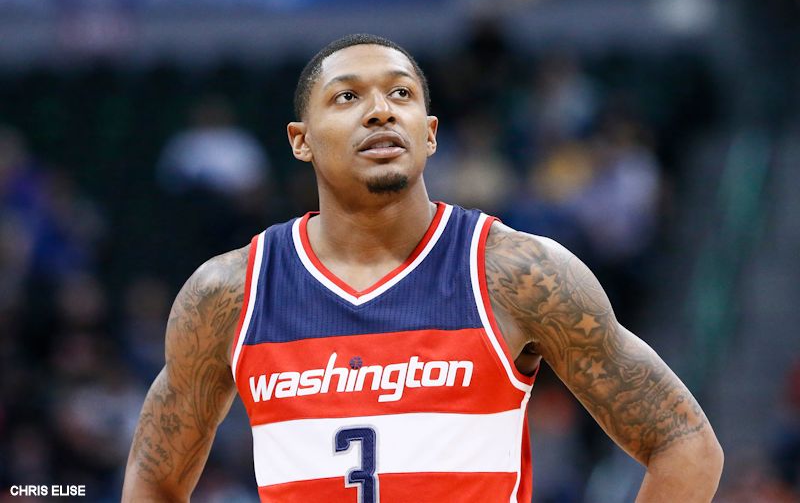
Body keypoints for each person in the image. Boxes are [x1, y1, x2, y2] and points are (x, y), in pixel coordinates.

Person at [122, 34, 723, 502]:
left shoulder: (516, 272)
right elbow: (153, 480)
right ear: (300, 141)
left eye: (401, 94)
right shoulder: (230, 292)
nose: (380, 112)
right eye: (347, 97)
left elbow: (685, 443)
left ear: (430, 134)